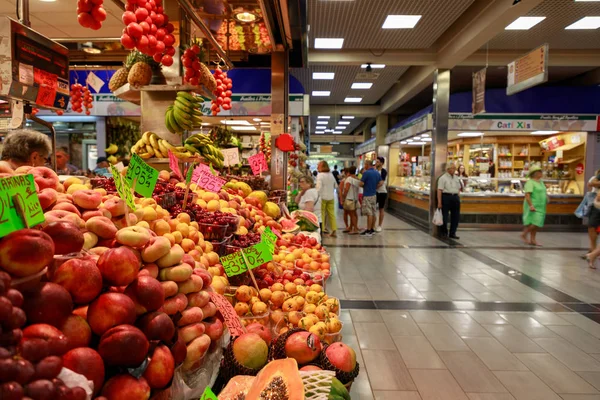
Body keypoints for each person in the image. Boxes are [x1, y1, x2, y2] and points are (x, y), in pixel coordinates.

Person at [521, 166, 547, 246]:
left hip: (541, 205)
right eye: (539, 172)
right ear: (535, 174)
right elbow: (527, 195)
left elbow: (543, 191)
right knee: (535, 222)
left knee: (537, 224)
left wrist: (547, 198)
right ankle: (524, 234)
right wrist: (531, 205)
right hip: (533, 205)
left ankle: (533, 240)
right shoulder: (530, 182)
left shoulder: (541, 182)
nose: (541, 173)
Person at [437, 162, 461, 239]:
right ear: (448, 169)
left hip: (455, 198)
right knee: (445, 216)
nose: (454, 170)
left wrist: (458, 196)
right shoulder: (442, 178)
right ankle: (444, 232)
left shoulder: (456, 178)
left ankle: (452, 233)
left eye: (455, 168)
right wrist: (439, 202)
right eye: (453, 168)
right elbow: (439, 190)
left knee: (455, 216)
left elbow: (459, 188)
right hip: (446, 197)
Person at [359, 160, 383, 236]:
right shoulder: (376, 172)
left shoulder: (366, 173)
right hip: (374, 195)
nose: (364, 166)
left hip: (367, 195)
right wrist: (375, 187)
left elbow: (361, 183)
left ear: (367, 164)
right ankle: (372, 228)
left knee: (369, 213)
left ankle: (368, 230)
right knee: (373, 212)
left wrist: (364, 186)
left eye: (365, 164)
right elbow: (381, 182)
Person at [316, 160, 338, 237]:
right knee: (331, 214)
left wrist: (316, 194)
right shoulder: (331, 174)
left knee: (321, 214)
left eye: (318, 166)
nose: (317, 167)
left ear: (322, 167)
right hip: (331, 197)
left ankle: (322, 230)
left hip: (322, 197)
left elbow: (319, 187)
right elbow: (336, 186)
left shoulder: (320, 175)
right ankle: (334, 230)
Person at [342, 166, 360, 235]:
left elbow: (346, 189)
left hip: (349, 199)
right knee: (354, 214)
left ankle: (355, 229)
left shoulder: (349, 179)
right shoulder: (357, 179)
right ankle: (351, 227)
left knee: (352, 215)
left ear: (349, 172)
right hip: (355, 199)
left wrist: (343, 197)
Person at [375, 156, 388, 232]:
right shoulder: (374, 171)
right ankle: (372, 225)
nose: (376, 163)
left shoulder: (383, 171)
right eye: (376, 162)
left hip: (382, 192)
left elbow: (381, 183)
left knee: (381, 209)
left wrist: (373, 187)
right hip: (375, 192)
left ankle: (379, 225)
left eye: (378, 162)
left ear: (382, 163)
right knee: (373, 209)